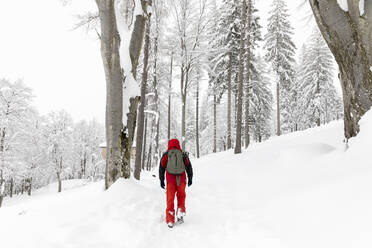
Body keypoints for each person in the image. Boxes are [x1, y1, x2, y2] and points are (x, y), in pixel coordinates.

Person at [159, 139, 193, 228]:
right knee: (181, 196)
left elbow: (161, 168)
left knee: (170, 199)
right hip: (181, 180)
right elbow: (189, 166)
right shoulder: (183, 154)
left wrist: (161, 180)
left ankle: (170, 220)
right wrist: (190, 178)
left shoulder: (167, 154)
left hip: (170, 181)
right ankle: (180, 214)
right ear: (178, 144)